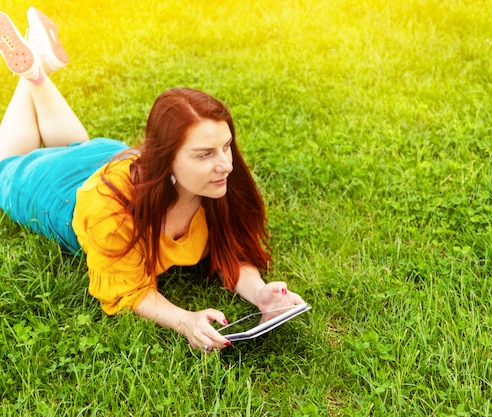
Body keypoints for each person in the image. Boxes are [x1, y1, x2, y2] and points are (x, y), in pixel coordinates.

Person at [0, 8, 305, 353]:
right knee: (5, 163)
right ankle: (33, 73)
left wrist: (260, 292)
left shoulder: (213, 186)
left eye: (226, 147)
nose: (225, 165)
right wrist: (184, 319)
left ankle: (36, 71)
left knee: (78, 146)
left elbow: (230, 251)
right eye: (204, 154)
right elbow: (127, 288)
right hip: (64, 192)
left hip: (102, 155)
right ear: (165, 159)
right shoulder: (109, 212)